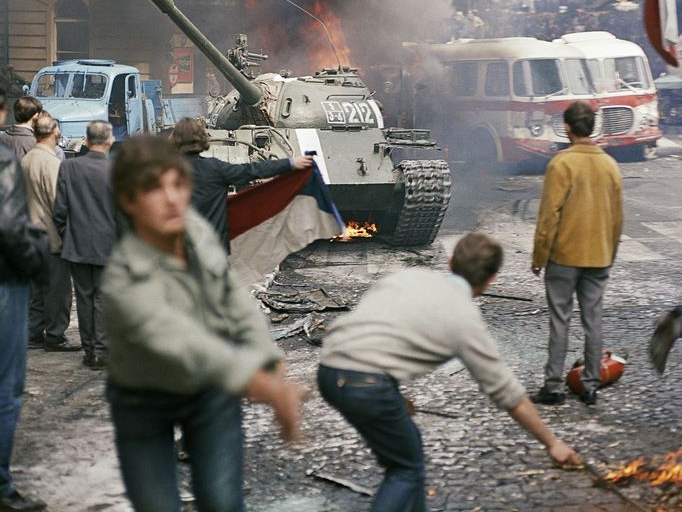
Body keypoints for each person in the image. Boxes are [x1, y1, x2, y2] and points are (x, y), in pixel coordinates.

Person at [102, 134, 307, 512]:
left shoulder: (195, 231)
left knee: (223, 502)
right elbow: (184, 347)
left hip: (210, 396)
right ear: (128, 201)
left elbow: (232, 299)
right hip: (144, 401)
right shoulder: (122, 282)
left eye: (177, 185)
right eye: (153, 188)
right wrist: (265, 386)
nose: (171, 198)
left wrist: (269, 358)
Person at [318, 232, 581, 512]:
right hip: (367, 384)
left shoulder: (409, 277)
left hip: (329, 370)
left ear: (451, 260)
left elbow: (373, 333)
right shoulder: (465, 319)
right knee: (404, 469)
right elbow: (509, 394)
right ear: (491, 279)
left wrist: (389, 392)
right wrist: (552, 443)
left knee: (411, 449)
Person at [531, 101, 623, 407]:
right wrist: (609, 252)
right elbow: (617, 218)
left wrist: (539, 256)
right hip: (598, 256)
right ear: (593, 127)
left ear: (567, 128)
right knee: (593, 320)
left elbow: (549, 217)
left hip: (564, 257)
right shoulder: (610, 165)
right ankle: (591, 385)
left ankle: (554, 386)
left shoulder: (561, 164)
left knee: (560, 320)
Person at [0, 87, 49, 512]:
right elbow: (10, 228)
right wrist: (36, 262)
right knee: (6, 388)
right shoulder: (15, 152)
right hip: (4, 278)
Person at [171, 118, 313, 249]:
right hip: (212, 252)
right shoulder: (215, 169)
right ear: (202, 138)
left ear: (174, 140)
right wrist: (291, 163)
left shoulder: (164, 171)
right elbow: (252, 170)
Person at [54, 121, 117, 370]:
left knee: (84, 298)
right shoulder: (116, 171)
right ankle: (101, 350)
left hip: (76, 243)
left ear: (87, 140)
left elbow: (59, 210)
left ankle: (89, 348)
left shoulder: (69, 167)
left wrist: (67, 233)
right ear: (109, 141)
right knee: (103, 298)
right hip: (108, 245)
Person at [20, 114, 78, 352]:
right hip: (50, 235)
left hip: (29, 233)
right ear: (56, 133)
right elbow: (59, 203)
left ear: (34, 134)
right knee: (58, 290)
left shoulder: (25, 160)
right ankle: (55, 335)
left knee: (36, 290)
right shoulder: (52, 163)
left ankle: (33, 333)